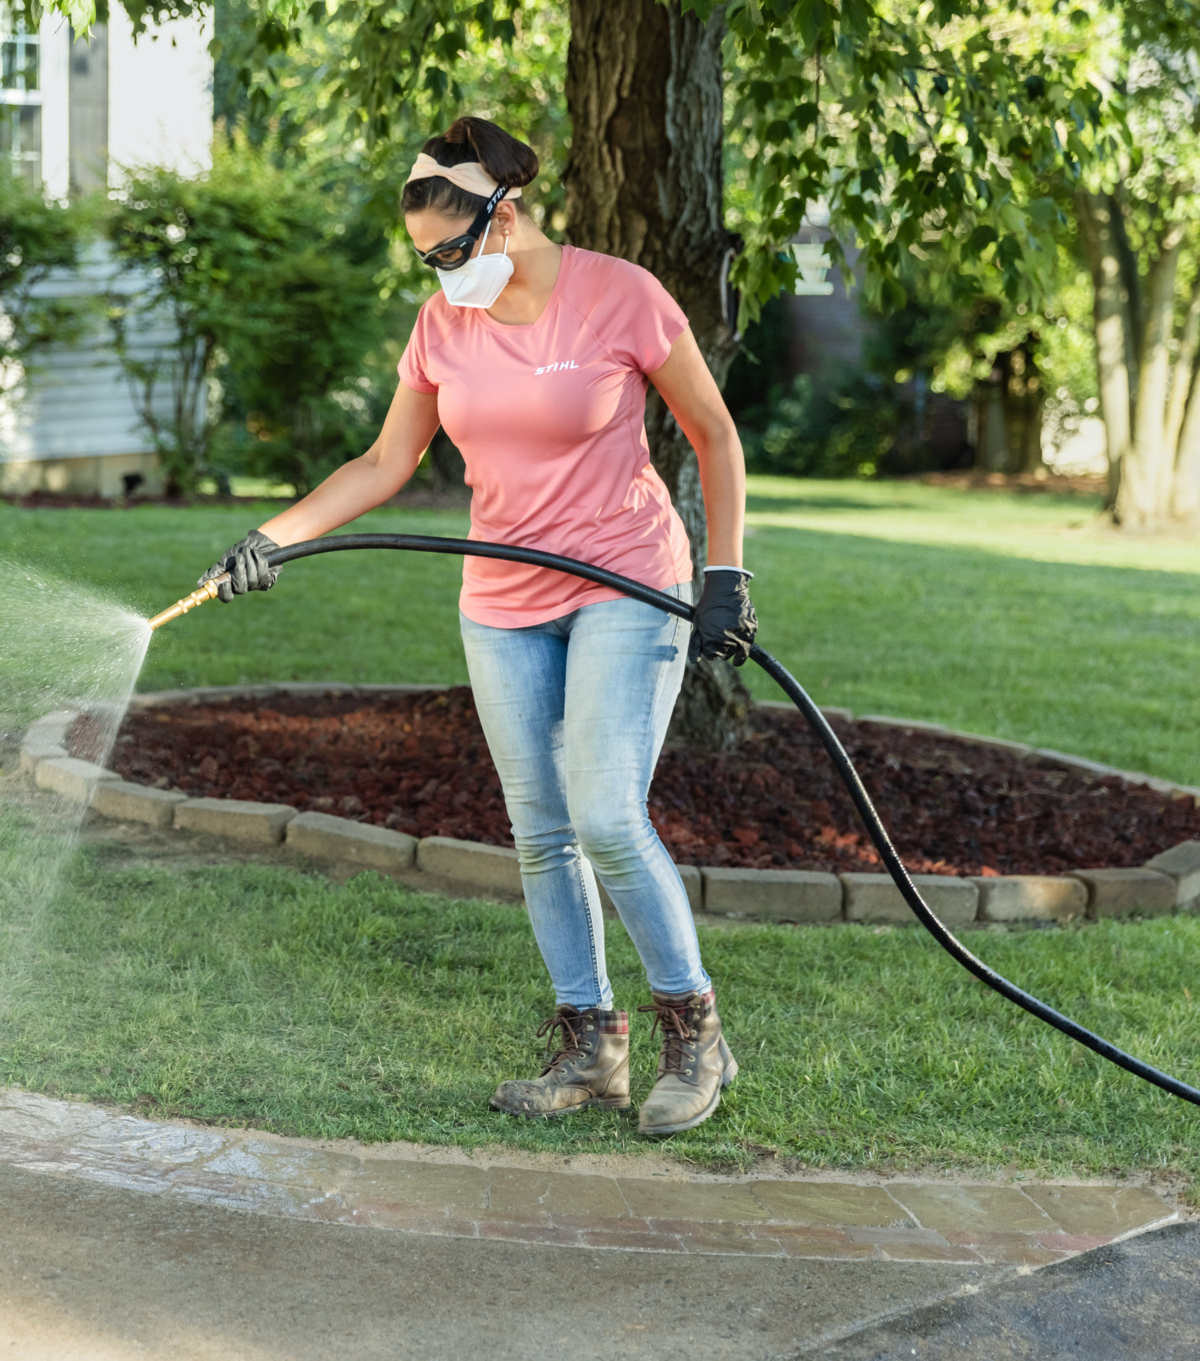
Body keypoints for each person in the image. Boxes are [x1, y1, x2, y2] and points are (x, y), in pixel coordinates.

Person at [200, 115, 755, 1137]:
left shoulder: (622, 295)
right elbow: (383, 464)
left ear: (505, 216)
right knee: (542, 833)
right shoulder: (441, 326)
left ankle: (697, 1034)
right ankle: (593, 1046)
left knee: (604, 813)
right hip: (502, 600)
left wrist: (725, 573)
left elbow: (713, 434)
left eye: (450, 252)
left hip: (626, 578)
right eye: (426, 260)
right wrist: (270, 539)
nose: (441, 274)